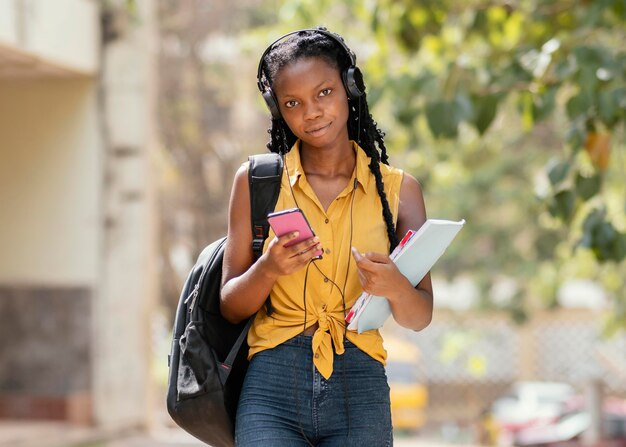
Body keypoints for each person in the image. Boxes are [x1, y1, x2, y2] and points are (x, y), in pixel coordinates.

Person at [220, 27, 433, 447]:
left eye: (324, 93)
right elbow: (230, 307)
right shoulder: (256, 181)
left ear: (350, 87)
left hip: (360, 382)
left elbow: (419, 316)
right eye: (293, 103)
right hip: (271, 386)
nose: (312, 112)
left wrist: (394, 286)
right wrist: (269, 268)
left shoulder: (399, 191)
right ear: (278, 109)